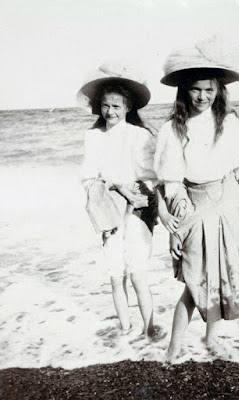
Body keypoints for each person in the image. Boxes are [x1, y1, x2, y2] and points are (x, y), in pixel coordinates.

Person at [154, 38, 239, 362]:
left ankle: (212, 338)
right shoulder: (173, 128)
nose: (202, 96)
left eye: (209, 90)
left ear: (218, 90)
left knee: (223, 273)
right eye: (196, 89)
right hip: (192, 203)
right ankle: (174, 347)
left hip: (227, 200)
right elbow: (169, 181)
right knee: (194, 280)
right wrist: (173, 226)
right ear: (184, 90)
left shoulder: (229, 123)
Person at [77, 61, 158, 337]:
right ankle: (125, 330)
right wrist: (114, 188)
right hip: (107, 207)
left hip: (136, 208)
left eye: (116, 106)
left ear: (128, 108)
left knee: (137, 271)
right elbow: (88, 177)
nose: (110, 111)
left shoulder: (140, 135)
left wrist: (130, 192)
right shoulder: (93, 136)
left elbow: (151, 177)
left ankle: (149, 328)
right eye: (105, 105)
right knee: (115, 273)